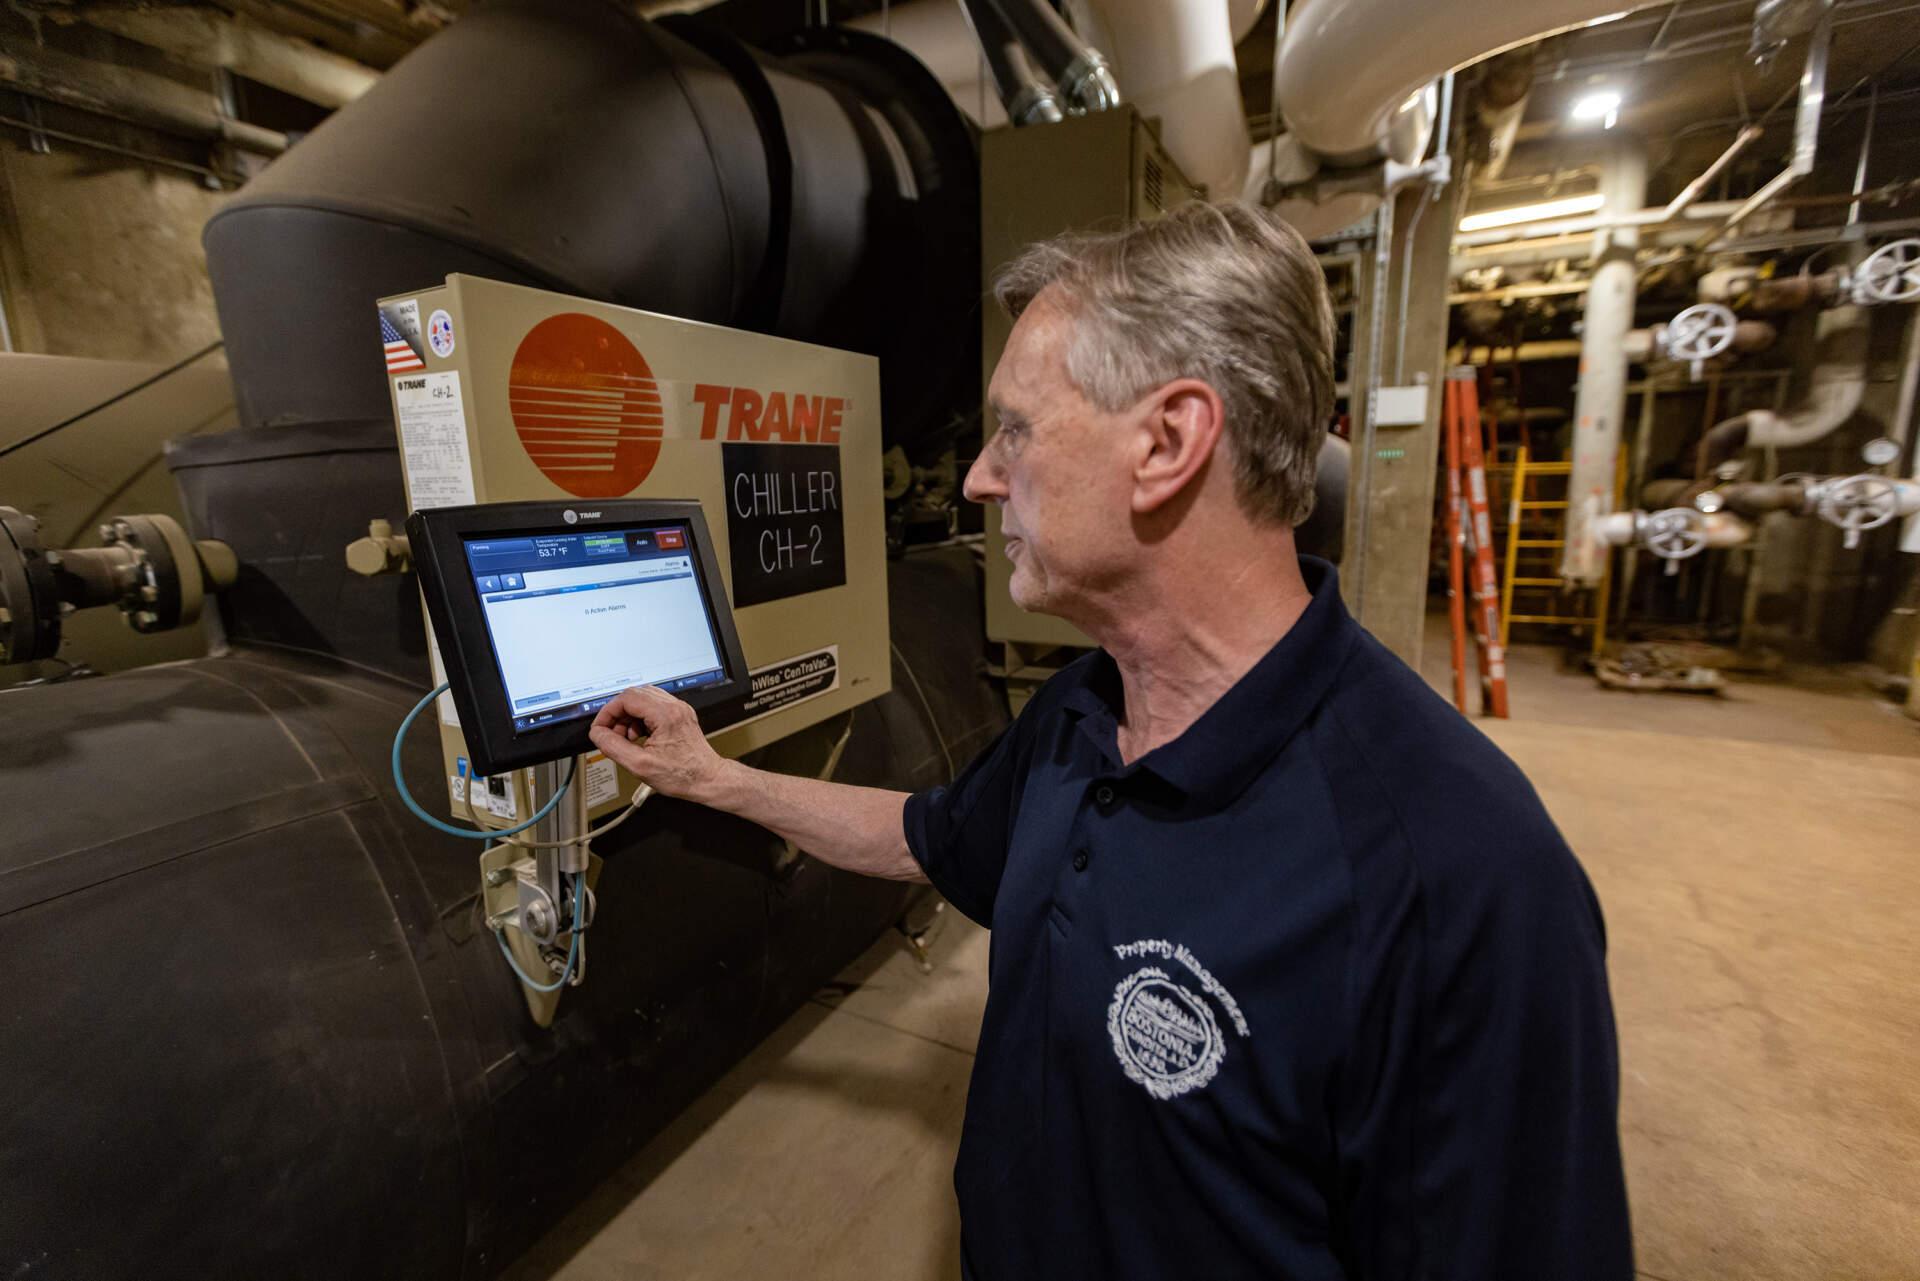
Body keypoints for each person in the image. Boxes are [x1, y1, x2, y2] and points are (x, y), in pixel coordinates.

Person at [589, 200, 1634, 1279]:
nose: (980, 477)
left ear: (1169, 443)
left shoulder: (1465, 878)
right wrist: (707, 776)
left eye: (1017, 429)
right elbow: (923, 837)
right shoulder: (1082, 711)